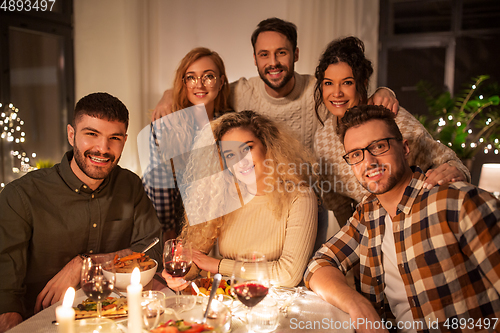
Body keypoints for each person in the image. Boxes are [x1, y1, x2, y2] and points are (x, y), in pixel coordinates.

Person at [305, 105, 500, 333]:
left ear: (405, 148)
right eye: (356, 154)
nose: (369, 162)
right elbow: (319, 264)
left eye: (379, 146)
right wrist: (357, 305)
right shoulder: (368, 214)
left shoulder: (457, 201)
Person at [0, 92, 162, 332]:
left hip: (116, 319)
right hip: (42, 322)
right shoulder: (21, 195)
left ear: (124, 141)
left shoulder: (131, 185)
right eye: (91, 134)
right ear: (71, 134)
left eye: (114, 138)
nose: (103, 148)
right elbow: (5, 291)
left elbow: (152, 248)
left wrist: (87, 263)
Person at [152, 18, 398, 153]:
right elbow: (205, 89)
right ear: (255, 58)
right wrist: (168, 94)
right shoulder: (241, 92)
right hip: (259, 196)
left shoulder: (318, 90)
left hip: (308, 195)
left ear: (296, 54)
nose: (273, 63)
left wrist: (383, 91)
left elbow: (350, 95)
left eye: (281, 53)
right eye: (264, 55)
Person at [313, 36, 470, 226]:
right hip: (373, 230)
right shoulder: (322, 139)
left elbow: (448, 162)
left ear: (362, 83)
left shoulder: (390, 116)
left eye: (347, 82)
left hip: (421, 220)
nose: (336, 93)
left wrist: (455, 172)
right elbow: (339, 204)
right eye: (329, 83)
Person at [162, 111, 319, 288]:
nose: (241, 162)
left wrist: (217, 265)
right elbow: (194, 260)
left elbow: (288, 275)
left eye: (246, 149)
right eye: (230, 155)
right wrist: (176, 275)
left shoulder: (300, 197)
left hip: (278, 303)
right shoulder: (221, 196)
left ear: (267, 146)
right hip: (228, 300)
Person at [141, 47, 230, 243]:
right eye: (191, 77)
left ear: (221, 81)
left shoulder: (231, 125)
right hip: (174, 223)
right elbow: (159, 184)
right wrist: (169, 232)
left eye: (208, 76)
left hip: (222, 221)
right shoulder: (166, 125)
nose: (199, 84)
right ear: (183, 83)